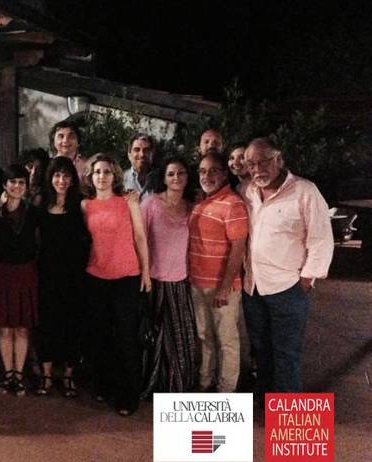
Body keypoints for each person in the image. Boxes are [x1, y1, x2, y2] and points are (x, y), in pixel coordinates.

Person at [241, 137, 334, 394]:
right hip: (253, 287)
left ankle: (287, 412)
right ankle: (266, 400)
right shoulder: (247, 191)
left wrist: (307, 279)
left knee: (287, 355)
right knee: (262, 350)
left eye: (263, 162)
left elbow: (321, 239)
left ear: (279, 160)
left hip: (287, 288)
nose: (257, 169)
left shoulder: (305, 191)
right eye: (251, 164)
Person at [81, 153, 151, 416]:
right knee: (100, 336)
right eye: (97, 171)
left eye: (107, 172)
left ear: (115, 176)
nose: (102, 176)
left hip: (126, 277)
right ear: (90, 176)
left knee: (126, 338)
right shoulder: (85, 205)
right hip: (95, 277)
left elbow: (140, 237)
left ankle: (128, 394)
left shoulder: (128, 201)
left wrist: (146, 272)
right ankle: (104, 384)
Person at [189, 153, 248, 393]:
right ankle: (205, 381)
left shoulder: (234, 204)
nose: (207, 176)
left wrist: (224, 287)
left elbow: (238, 248)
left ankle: (226, 391)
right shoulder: (200, 203)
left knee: (227, 341)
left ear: (224, 174)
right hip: (197, 283)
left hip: (222, 286)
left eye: (213, 170)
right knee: (205, 336)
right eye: (203, 171)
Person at [140, 157, 198, 395]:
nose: (176, 178)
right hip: (154, 280)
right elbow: (139, 239)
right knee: (155, 337)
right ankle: (154, 384)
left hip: (181, 281)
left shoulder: (192, 206)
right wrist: (143, 274)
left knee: (181, 337)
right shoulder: (150, 203)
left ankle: (177, 385)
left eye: (181, 173)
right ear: (163, 178)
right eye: (171, 174)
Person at [35, 157, 89, 397]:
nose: (61, 180)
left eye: (66, 175)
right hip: (46, 273)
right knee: (46, 323)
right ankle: (46, 375)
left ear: (72, 179)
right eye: (57, 175)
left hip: (74, 274)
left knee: (72, 323)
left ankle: (68, 375)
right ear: (50, 177)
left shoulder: (81, 204)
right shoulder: (41, 203)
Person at [0, 165, 39, 396]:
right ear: (5, 185)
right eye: (12, 182)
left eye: (21, 182)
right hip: (2, 272)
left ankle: (19, 373)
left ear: (26, 186)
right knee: (4, 328)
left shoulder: (34, 213)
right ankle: (8, 373)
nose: (16, 186)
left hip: (26, 273)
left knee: (22, 328)